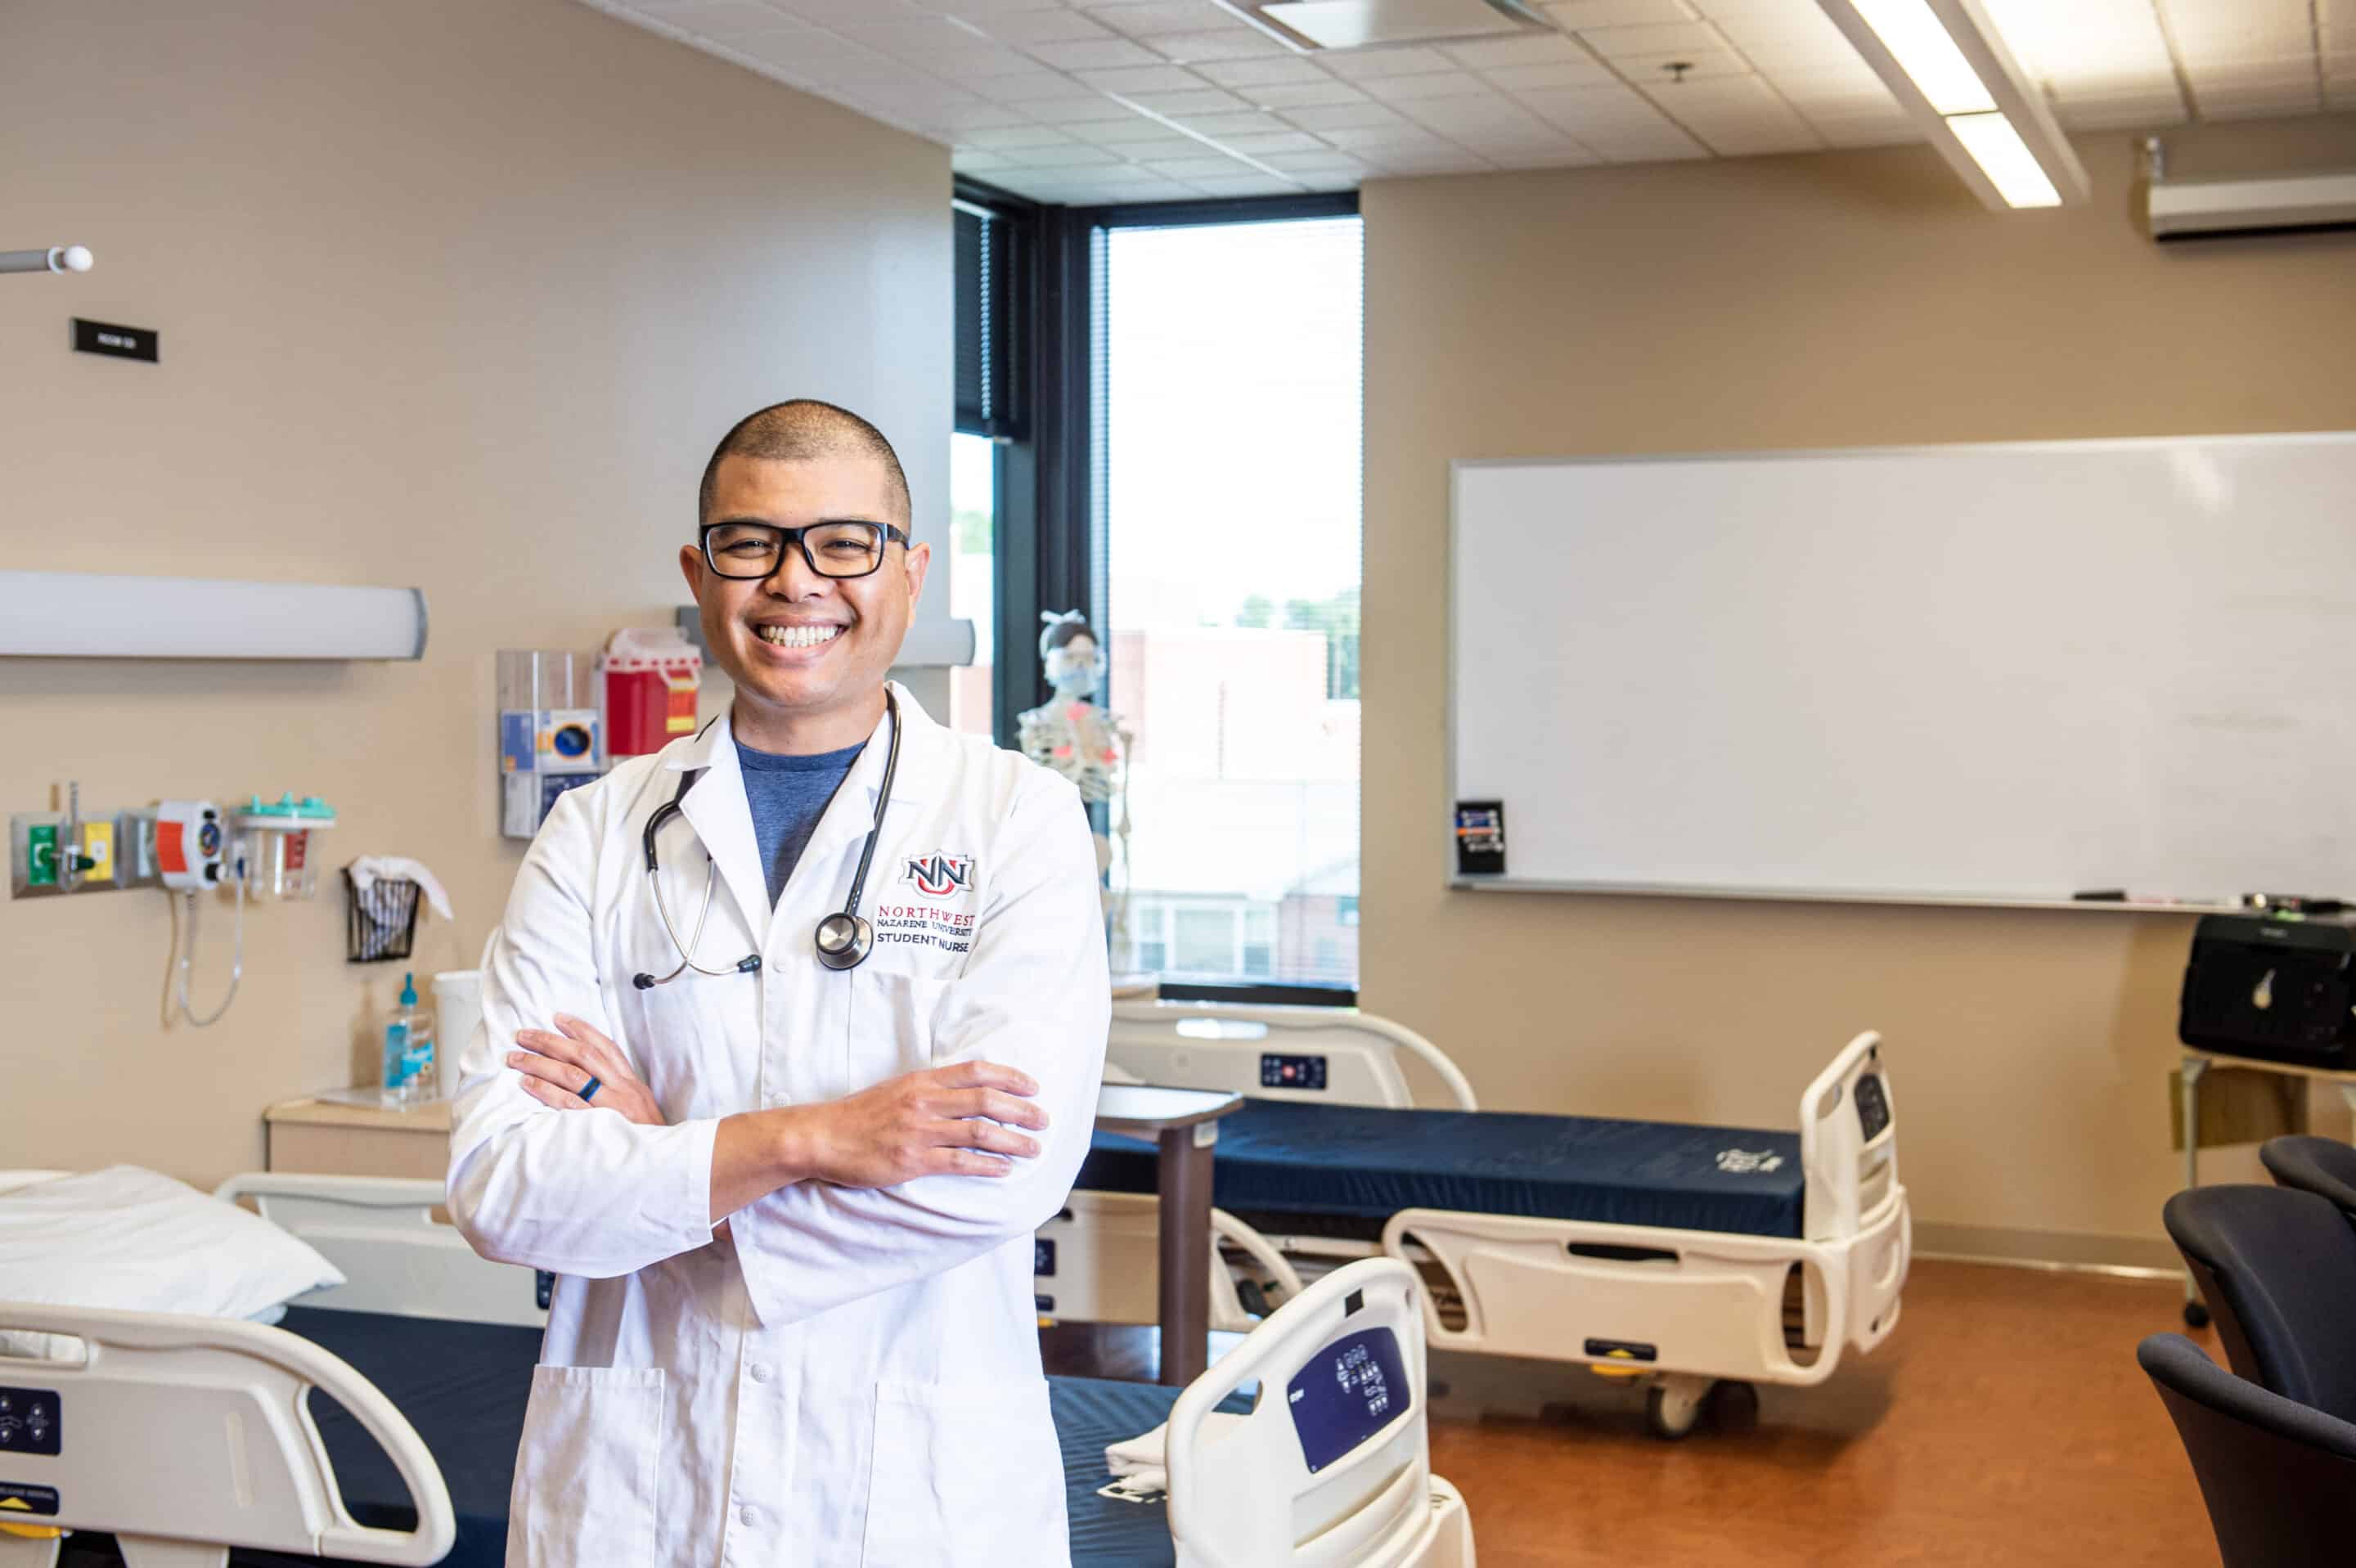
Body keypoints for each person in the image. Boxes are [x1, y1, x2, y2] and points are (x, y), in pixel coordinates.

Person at [447, 399, 1109, 1567]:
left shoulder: (1018, 820)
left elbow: (1004, 1173)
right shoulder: (594, 833)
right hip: (639, 1491)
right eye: (752, 544)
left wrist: (669, 1167)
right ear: (699, 573)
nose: (797, 581)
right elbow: (505, 1188)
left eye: (844, 543)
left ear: (909, 573)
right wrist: (818, 1137)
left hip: (915, 1505)